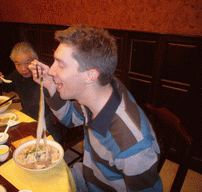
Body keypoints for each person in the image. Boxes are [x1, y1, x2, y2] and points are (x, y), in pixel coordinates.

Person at [29, 25, 163, 191]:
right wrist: (49, 83)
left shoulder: (133, 146)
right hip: (89, 173)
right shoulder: (99, 91)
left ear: (91, 75)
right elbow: (70, 118)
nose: (51, 70)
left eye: (61, 64)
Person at [0, 42, 62, 144]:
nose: (23, 69)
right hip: (28, 115)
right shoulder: (18, 74)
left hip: (50, 120)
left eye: (27, 62)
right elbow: (9, 86)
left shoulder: (48, 73)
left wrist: (41, 124)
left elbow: (60, 105)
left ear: (36, 59)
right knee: (7, 135)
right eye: (18, 64)